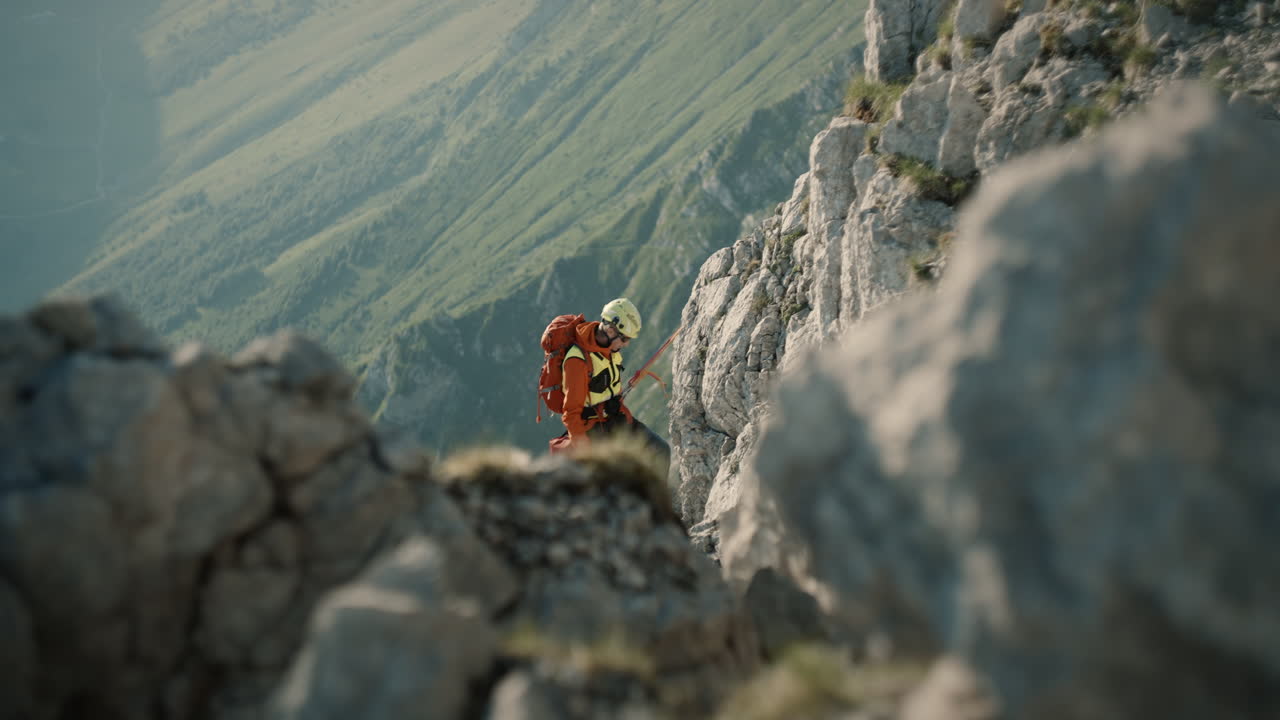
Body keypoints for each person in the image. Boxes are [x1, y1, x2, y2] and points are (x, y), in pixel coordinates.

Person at [551, 298, 670, 466]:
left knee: (660, 451)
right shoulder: (577, 361)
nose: (626, 344)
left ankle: (653, 492)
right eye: (624, 339)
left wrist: (615, 403)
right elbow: (571, 414)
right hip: (592, 429)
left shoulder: (611, 350)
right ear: (610, 329)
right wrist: (584, 453)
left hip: (614, 419)